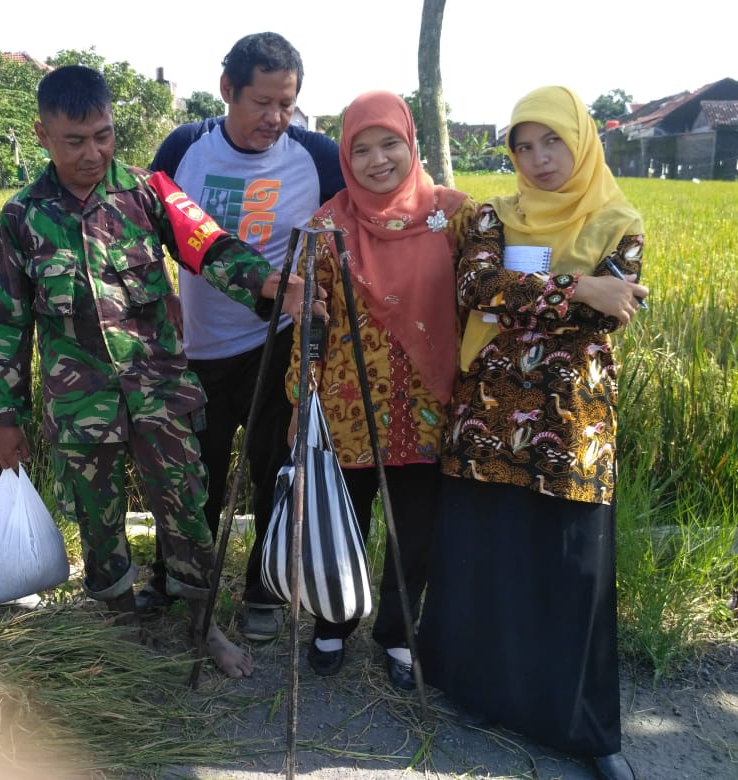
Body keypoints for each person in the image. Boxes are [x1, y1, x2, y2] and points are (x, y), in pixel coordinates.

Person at [0, 65, 316, 679]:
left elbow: (210, 246)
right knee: (98, 518)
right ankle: (120, 620)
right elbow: (9, 322)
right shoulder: (22, 216)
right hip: (80, 405)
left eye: (104, 136)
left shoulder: (149, 192)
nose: (93, 153)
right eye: (75, 141)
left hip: (160, 392)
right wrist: (5, 415)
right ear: (42, 135)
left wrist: (271, 284)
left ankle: (202, 623)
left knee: (188, 508)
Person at [417, 86, 648, 780]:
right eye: (524, 145)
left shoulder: (619, 218)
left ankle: (585, 729)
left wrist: (559, 296)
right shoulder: (493, 214)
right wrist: (579, 288)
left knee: (570, 570)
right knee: (489, 558)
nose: (539, 159)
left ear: (579, 141)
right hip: (487, 415)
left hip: (574, 424)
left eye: (552, 142)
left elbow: (614, 312)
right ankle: (482, 692)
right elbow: (479, 290)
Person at [141, 32, 345, 642]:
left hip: (277, 342)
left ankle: (264, 588)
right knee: (191, 472)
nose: (276, 119)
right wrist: (163, 294)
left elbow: (366, 217)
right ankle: (176, 580)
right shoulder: (184, 148)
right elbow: (146, 228)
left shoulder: (317, 155)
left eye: (287, 103)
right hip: (198, 347)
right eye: (262, 102)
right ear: (227, 89)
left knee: (275, 468)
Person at [281, 91, 475, 684]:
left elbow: (487, 301)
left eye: (389, 143)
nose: (377, 159)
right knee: (342, 521)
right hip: (346, 408)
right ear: (344, 155)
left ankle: (397, 632)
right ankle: (333, 622)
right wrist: (301, 400)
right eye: (360, 148)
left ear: (410, 142)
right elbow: (310, 320)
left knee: (413, 529)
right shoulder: (328, 223)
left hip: (430, 406)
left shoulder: (459, 214)